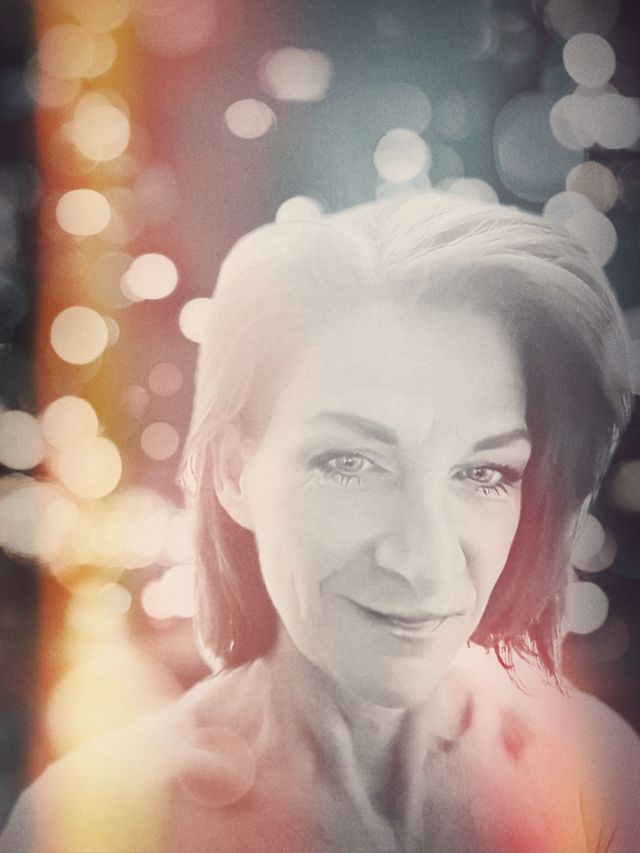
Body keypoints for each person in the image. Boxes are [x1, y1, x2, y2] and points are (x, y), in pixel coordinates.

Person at [2, 192, 640, 852]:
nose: (424, 562)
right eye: (350, 463)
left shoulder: (595, 778)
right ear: (233, 474)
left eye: (484, 472)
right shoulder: (88, 825)